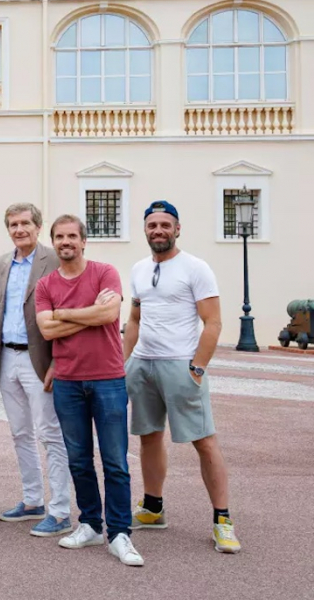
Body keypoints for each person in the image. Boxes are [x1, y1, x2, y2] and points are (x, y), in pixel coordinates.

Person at [123, 200, 240, 554]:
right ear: (145, 230)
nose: (158, 230)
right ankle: (153, 507)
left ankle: (222, 521)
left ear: (177, 229)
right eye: (152, 225)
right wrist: (122, 363)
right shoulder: (139, 269)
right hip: (143, 364)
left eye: (165, 225)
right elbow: (134, 320)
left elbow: (213, 322)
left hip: (180, 365)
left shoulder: (195, 268)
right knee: (148, 437)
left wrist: (197, 367)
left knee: (204, 441)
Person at [35, 215, 142, 567]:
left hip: (108, 378)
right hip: (67, 381)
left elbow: (108, 315)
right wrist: (89, 312)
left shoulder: (105, 272)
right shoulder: (46, 285)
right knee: (79, 460)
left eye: (72, 236)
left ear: (83, 241)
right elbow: (47, 330)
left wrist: (63, 314)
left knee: (115, 461)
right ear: (53, 242)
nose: (66, 241)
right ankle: (91, 525)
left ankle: (120, 532)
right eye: (59, 237)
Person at [0, 203, 73, 537]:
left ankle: (61, 511)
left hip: (40, 360)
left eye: (25, 223)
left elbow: (66, 311)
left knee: (50, 433)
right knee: (20, 433)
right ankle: (32, 500)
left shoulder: (54, 260)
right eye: (13, 224)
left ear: (38, 227)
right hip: (7, 358)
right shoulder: (0, 264)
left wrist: (57, 362)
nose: (19, 229)